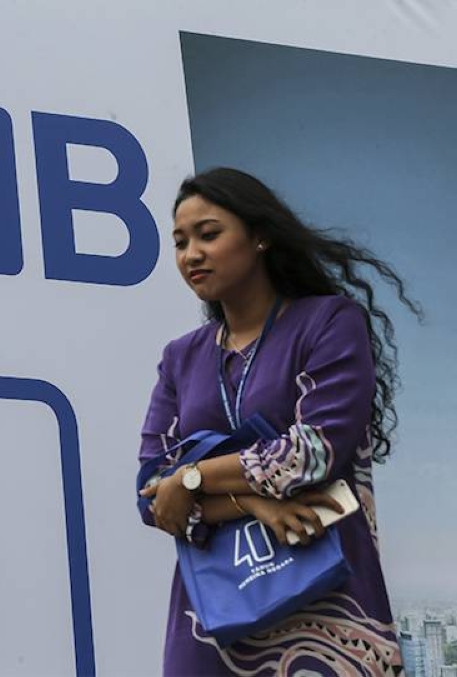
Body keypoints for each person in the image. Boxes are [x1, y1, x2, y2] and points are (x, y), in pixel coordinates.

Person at [137, 168, 419, 675]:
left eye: (208, 234)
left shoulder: (329, 322)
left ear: (260, 237)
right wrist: (253, 501)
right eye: (180, 243)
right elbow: (152, 494)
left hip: (330, 599)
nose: (191, 254)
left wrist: (192, 477)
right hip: (211, 622)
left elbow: (312, 453)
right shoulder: (180, 358)